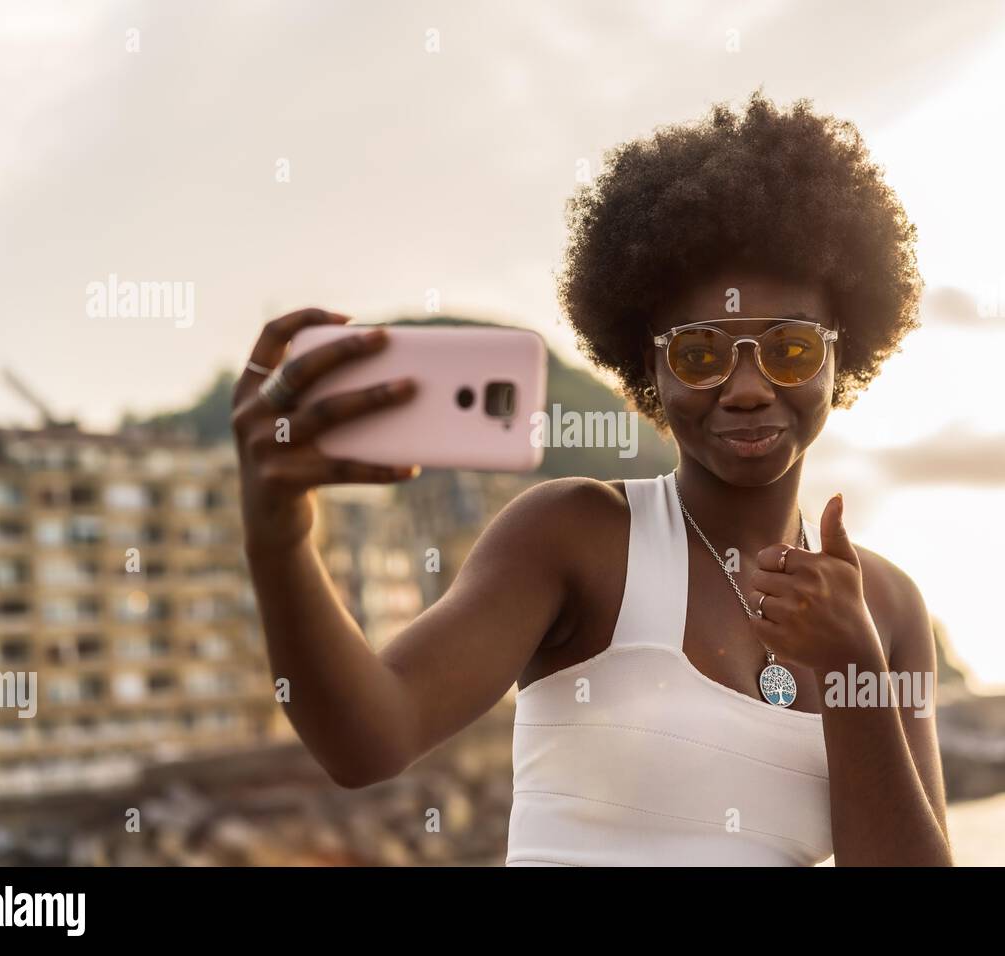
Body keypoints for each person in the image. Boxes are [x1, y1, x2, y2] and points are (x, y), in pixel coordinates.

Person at [231, 90, 952, 866]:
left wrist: (854, 668)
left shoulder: (888, 610)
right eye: (701, 353)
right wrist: (280, 537)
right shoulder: (576, 537)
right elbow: (367, 740)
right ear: (648, 367)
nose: (747, 388)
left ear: (842, 356)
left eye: (791, 349)